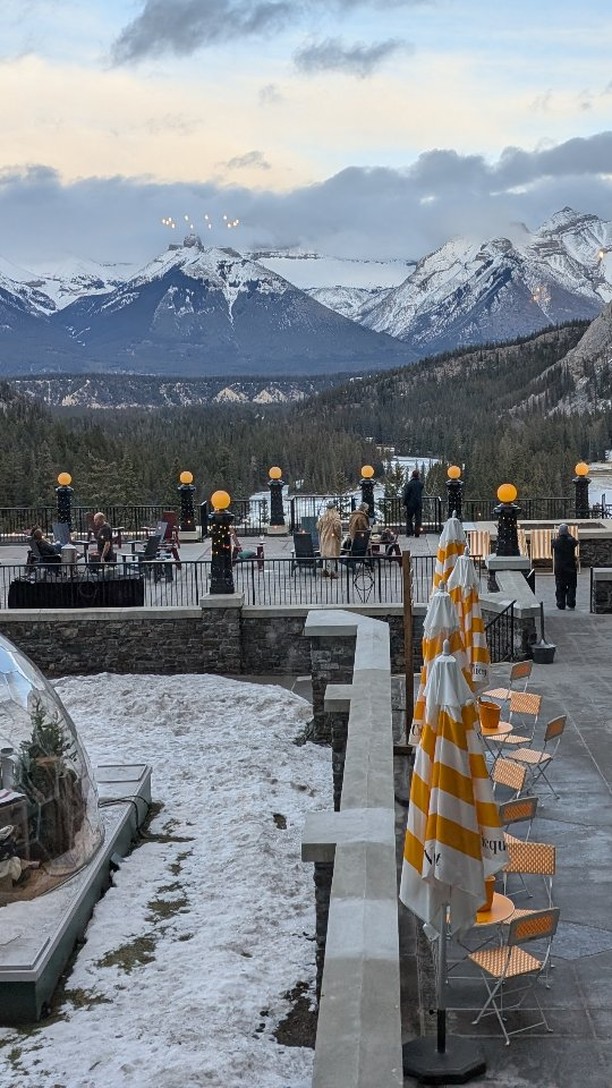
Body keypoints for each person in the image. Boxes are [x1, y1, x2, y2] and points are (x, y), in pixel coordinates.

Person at [552, 523, 578, 610]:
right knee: (572, 585)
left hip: (559, 568)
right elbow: (576, 542)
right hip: (570, 566)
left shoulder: (555, 542)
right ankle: (570, 602)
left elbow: (552, 545)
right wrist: (568, 534)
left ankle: (560, 603)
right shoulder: (571, 541)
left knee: (560, 585)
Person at [317, 501, 342, 578]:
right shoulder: (335, 517)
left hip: (324, 537)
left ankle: (324, 569)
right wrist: (339, 535)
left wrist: (323, 532)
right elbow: (337, 527)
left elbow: (318, 526)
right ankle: (332, 571)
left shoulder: (323, 517)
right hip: (332, 537)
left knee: (325, 554)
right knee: (332, 555)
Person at [402, 469, 424, 537]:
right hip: (418, 504)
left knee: (409, 518)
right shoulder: (420, 484)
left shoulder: (409, 484)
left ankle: (409, 532)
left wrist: (404, 503)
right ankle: (417, 533)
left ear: (412, 475)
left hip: (410, 504)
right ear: (418, 475)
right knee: (418, 519)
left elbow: (406, 495)